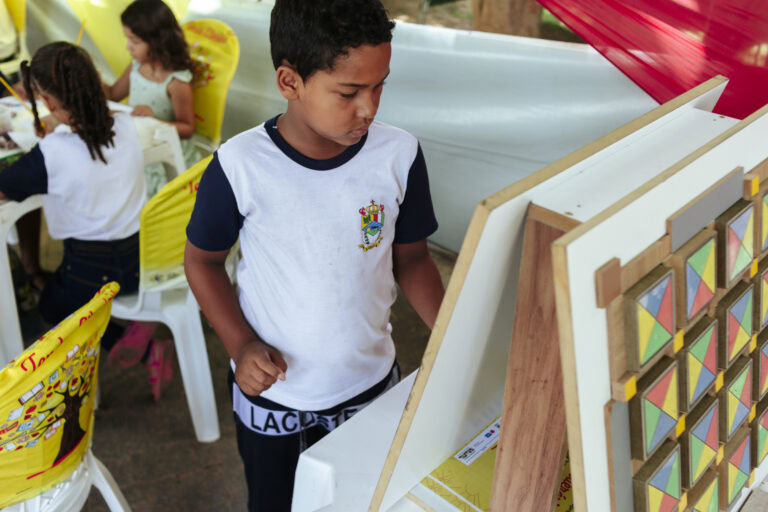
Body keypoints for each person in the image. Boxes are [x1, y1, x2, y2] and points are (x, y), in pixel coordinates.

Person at [184, 0, 445, 510]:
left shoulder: (399, 155)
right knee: (274, 502)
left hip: (370, 385)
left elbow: (411, 258)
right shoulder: (240, 166)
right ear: (290, 82)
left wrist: (450, 326)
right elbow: (203, 262)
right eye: (349, 92)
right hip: (274, 398)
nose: (369, 108)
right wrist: (240, 344)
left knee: (362, 498)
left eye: (379, 86)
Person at [0, 42, 172, 386]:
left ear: (48, 102)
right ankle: (137, 328)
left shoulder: (52, 153)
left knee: (51, 307)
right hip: (141, 260)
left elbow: (6, 186)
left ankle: (140, 347)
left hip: (90, 270)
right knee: (72, 292)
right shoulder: (125, 126)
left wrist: (49, 136)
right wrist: (58, 126)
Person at [102, 0, 197, 198]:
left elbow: (188, 129)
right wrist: (93, 79)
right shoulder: (136, 66)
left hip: (166, 159)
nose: (128, 47)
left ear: (158, 41)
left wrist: (153, 120)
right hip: (139, 146)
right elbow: (112, 95)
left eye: (134, 41)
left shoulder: (176, 82)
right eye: (127, 39)